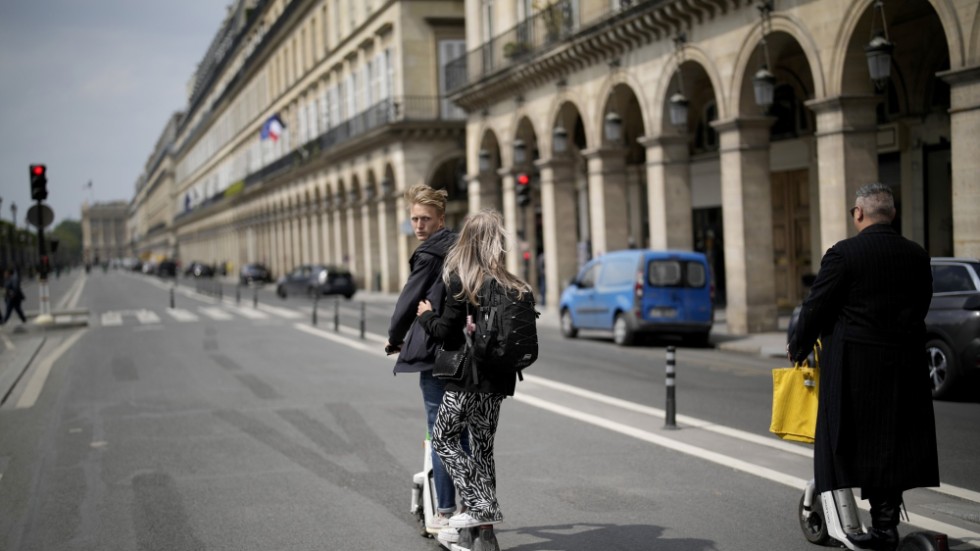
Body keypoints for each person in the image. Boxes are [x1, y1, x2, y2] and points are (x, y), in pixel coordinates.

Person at [787, 183, 938, 551]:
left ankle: (851, 524)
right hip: (905, 369)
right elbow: (922, 306)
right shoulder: (917, 255)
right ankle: (885, 527)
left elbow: (816, 305)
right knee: (892, 448)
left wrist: (798, 346)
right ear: (893, 213)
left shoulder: (844, 254)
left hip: (855, 371)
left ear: (858, 213)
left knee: (845, 444)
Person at [416, 209, 529, 547]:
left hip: (467, 377)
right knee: (482, 449)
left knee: (443, 440)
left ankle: (481, 504)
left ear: (467, 240)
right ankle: (486, 536)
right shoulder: (510, 282)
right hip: (498, 381)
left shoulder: (462, 280)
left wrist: (425, 316)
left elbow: (445, 331)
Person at [385, 183, 462, 534]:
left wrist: (394, 337)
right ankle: (473, 506)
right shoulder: (462, 245)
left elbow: (408, 299)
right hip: (464, 348)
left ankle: (444, 511)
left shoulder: (430, 253)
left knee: (440, 431)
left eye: (425, 219)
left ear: (440, 219)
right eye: (414, 219)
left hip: (435, 351)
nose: (418, 225)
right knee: (463, 433)